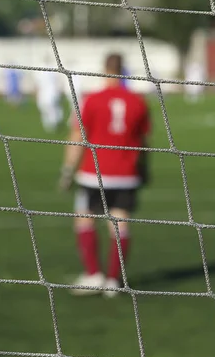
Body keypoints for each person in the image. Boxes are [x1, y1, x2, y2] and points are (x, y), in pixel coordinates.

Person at [58, 53, 151, 298]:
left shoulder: (92, 99)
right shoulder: (138, 102)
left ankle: (93, 274)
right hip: (127, 173)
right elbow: (143, 141)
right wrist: (143, 170)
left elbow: (77, 136)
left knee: (84, 218)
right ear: (124, 71)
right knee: (120, 222)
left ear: (104, 70)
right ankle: (113, 281)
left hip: (94, 173)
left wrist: (68, 171)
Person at [34, 57, 63, 132]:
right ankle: (49, 124)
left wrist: (58, 90)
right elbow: (37, 83)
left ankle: (54, 123)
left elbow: (57, 81)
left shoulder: (53, 68)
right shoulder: (40, 69)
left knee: (52, 107)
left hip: (52, 92)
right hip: (43, 92)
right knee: (44, 108)